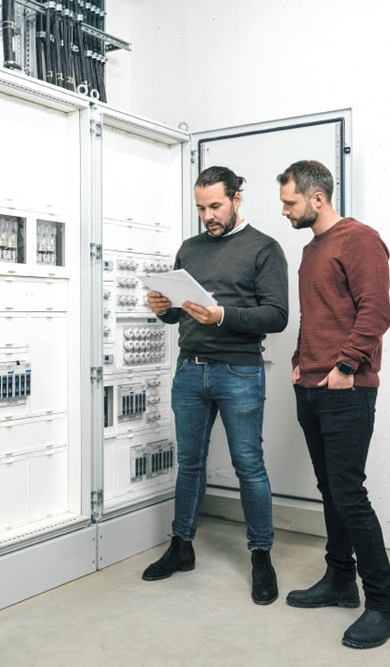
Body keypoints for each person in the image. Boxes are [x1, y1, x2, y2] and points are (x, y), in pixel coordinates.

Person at [141, 165, 289, 605]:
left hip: (239, 372)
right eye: (202, 207)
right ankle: (181, 546)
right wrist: (161, 307)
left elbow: (276, 315)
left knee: (249, 466)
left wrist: (223, 315)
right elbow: (176, 314)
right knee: (189, 463)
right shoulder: (189, 248)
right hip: (190, 371)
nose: (208, 215)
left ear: (237, 199)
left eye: (216, 206)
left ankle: (261, 555)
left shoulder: (264, 248)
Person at [277, 160, 390, 648]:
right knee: (330, 489)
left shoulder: (360, 239)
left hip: (346, 387)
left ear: (317, 198)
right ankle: (339, 581)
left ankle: (383, 606)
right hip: (310, 383)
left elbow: (376, 311)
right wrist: (298, 359)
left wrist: (346, 367)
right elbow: (318, 314)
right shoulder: (313, 250)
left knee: (349, 493)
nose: (284, 211)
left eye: (290, 202)